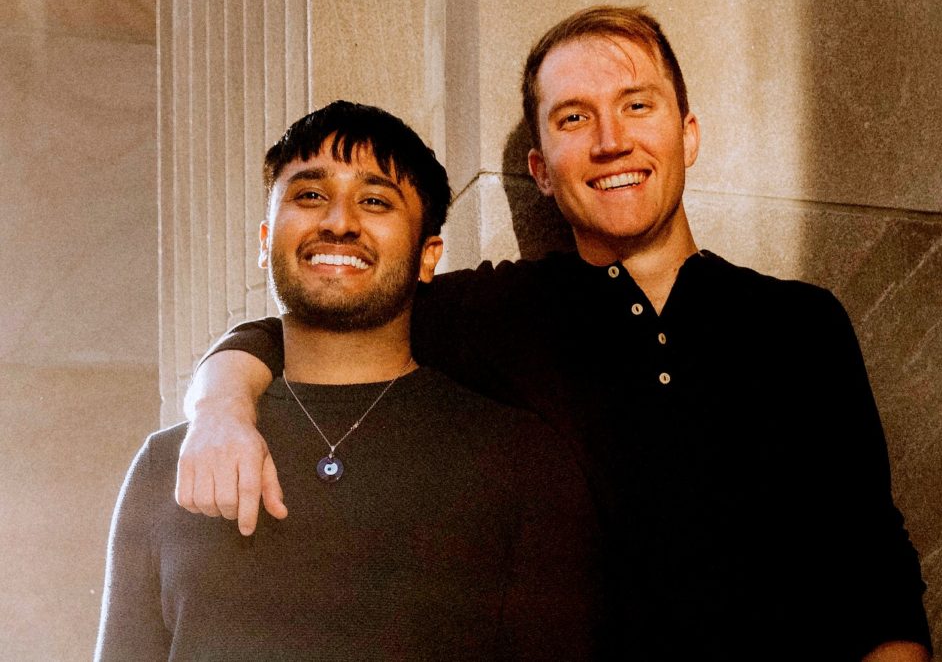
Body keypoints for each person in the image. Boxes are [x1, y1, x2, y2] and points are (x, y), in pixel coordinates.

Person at [177, 7, 932, 660]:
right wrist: (219, 411)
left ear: (687, 133)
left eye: (638, 106)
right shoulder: (501, 314)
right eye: (575, 118)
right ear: (540, 168)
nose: (611, 141)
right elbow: (302, 323)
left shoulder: (800, 323)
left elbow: (879, 575)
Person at [95, 100, 601, 660]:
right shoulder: (170, 463)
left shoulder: (520, 462)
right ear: (266, 240)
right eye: (310, 196)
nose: (338, 222)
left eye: (375, 201)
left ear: (428, 256)